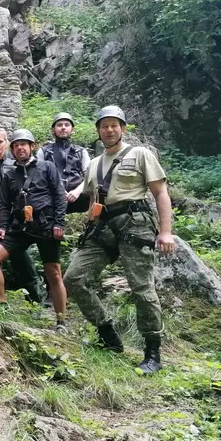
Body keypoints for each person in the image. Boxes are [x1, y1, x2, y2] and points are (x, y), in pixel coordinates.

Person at [63, 106, 176, 374]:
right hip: (102, 227)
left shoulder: (140, 155)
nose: (109, 130)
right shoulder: (93, 164)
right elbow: (93, 199)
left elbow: (160, 193)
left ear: (123, 129)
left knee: (141, 288)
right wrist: (89, 225)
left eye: (114, 125)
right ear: (98, 131)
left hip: (134, 224)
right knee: (73, 278)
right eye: (104, 126)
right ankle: (108, 334)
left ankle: (152, 350)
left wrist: (165, 231)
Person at [0, 129, 68, 324]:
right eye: (16, 145)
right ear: (12, 149)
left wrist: (59, 223)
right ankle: (2, 306)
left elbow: (59, 196)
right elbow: (4, 204)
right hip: (19, 227)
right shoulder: (10, 174)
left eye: (24, 144)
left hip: (45, 225)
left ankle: (61, 320)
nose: (20, 147)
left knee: (53, 272)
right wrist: (3, 226)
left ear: (32, 146)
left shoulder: (47, 167)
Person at [0, 128, 42, 304]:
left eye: (0, 141)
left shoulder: (16, 164)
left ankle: (34, 300)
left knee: (22, 256)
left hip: (16, 217)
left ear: (6, 143)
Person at [37, 112, 91, 214]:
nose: (63, 127)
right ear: (53, 130)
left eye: (66, 125)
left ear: (72, 129)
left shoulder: (81, 151)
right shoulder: (44, 151)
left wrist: (77, 191)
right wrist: (59, 191)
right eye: (59, 125)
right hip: (51, 199)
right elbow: (39, 177)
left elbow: (90, 176)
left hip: (78, 200)